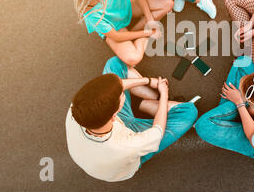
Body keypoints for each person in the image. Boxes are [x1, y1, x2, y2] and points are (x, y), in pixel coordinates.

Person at [65, 56, 199, 182]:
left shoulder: (78, 107)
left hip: (109, 134)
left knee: (114, 63)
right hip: (128, 149)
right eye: (121, 96)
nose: (121, 93)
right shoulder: (124, 146)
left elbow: (116, 85)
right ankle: (150, 103)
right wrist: (164, 93)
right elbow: (157, 131)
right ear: (114, 116)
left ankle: (148, 102)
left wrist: (148, 81)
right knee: (189, 112)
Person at [73, 0, 174, 66]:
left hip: (128, 6)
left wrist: (150, 19)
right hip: (115, 28)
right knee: (133, 59)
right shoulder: (90, 12)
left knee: (168, 3)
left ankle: (132, 32)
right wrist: (147, 33)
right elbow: (116, 36)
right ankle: (135, 33)